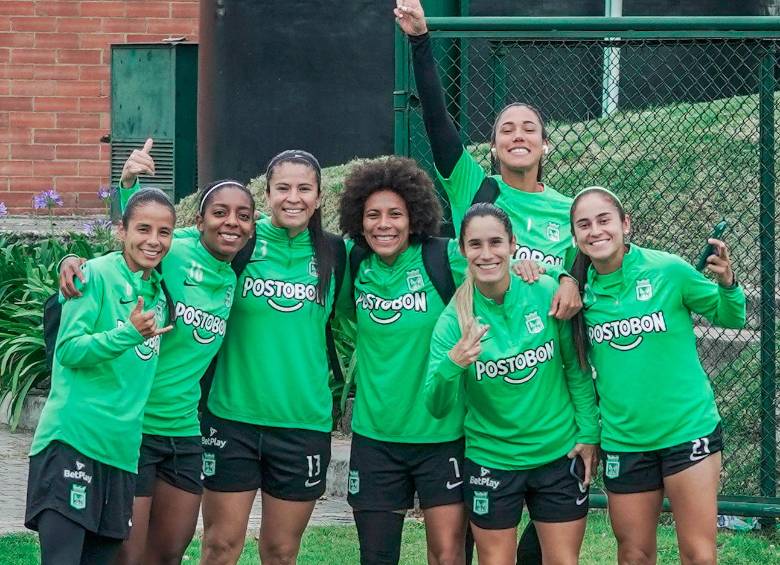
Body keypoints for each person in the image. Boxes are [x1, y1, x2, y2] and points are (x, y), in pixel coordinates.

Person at [60, 140, 257, 565]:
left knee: (169, 552)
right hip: (137, 426)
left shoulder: (235, 273)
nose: (231, 223)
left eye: (243, 216)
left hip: (184, 430)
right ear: (199, 220)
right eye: (219, 213)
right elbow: (140, 235)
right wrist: (127, 183)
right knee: (128, 555)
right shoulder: (176, 248)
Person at [569, 186, 746, 565]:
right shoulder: (577, 295)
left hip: (687, 430)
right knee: (634, 555)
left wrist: (728, 283)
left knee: (698, 555)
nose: (595, 231)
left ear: (625, 224)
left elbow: (732, 317)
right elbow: (580, 372)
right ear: (575, 237)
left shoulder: (668, 270)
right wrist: (589, 433)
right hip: (625, 441)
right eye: (584, 224)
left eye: (604, 220)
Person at [425, 203, 600, 565]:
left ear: (513, 245)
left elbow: (576, 368)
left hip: (558, 452)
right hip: (492, 459)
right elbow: (436, 406)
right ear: (462, 251)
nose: (486, 254)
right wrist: (453, 364)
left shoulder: (544, 290)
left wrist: (588, 433)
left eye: (495, 242)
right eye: (475, 245)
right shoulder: (454, 321)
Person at [197, 149, 348, 565]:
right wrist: (73, 258)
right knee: (220, 546)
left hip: (301, 424)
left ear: (319, 197)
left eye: (304, 189)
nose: (293, 198)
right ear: (266, 194)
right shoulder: (238, 240)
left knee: (281, 552)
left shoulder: (337, 254)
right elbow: (155, 244)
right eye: (283, 188)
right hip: (232, 419)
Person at [394, 0, 581, 330]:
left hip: (545, 349)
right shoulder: (475, 188)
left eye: (529, 129)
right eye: (507, 130)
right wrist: (420, 39)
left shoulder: (569, 210)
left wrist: (570, 281)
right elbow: (437, 120)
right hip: (484, 347)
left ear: (545, 145)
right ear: (494, 146)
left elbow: (584, 273)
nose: (518, 136)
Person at [25, 188, 175, 565]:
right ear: (121, 230)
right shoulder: (93, 273)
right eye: (143, 229)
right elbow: (68, 350)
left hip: (121, 453)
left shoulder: (158, 293)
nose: (154, 240)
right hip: (72, 439)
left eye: (164, 232)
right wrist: (127, 334)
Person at [338, 156, 469, 564]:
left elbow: (497, 266)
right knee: (376, 557)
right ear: (359, 220)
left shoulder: (443, 258)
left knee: (448, 556)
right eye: (373, 215)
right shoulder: (353, 262)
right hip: (376, 437)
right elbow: (341, 316)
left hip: (442, 435)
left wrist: (559, 276)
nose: (384, 224)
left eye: (395, 214)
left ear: (414, 217)